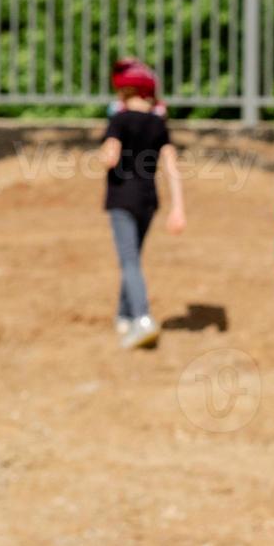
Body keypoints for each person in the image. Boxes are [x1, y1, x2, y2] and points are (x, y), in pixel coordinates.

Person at [99, 59, 185, 350]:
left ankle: (143, 319)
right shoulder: (158, 123)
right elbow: (171, 166)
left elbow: (110, 157)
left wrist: (106, 148)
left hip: (122, 198)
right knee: (132, 257)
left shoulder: (119, 120)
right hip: (149, 201)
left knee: (129, 260)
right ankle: (123, 316)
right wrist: (178, 206)